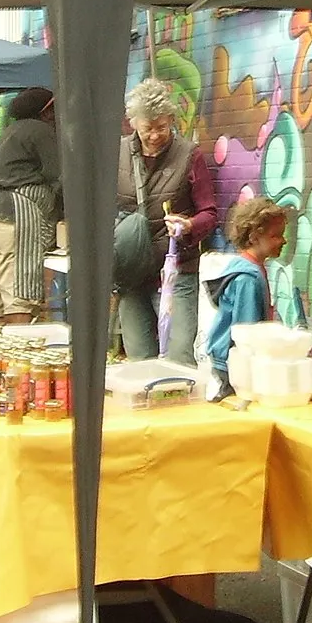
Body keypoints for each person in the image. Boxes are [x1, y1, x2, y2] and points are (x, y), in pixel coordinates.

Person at [114, 78, 217, 364]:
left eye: (162, 127)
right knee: (139, 359)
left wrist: (188, 226)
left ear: (171, 119)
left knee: (180, 356)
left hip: (176, 270)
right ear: (133, 122)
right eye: (148, 128)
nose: (156, 135)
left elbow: (209, 212)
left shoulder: (189, 155)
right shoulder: (118, 153)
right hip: (131, 273)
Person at [0, 86, 58, 326]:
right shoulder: (41, 131)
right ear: (46, 111)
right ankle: (16, 357)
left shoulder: (10, 131)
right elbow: (59, 175)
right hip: (15, 215)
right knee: (18, 296)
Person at [202, 196, 291, 396]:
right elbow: (247, 331)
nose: (283, 240)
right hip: (235, 362)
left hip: (233, 359)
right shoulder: (247, 279)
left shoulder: (250, 267)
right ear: (253, 237)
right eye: (276, 235)